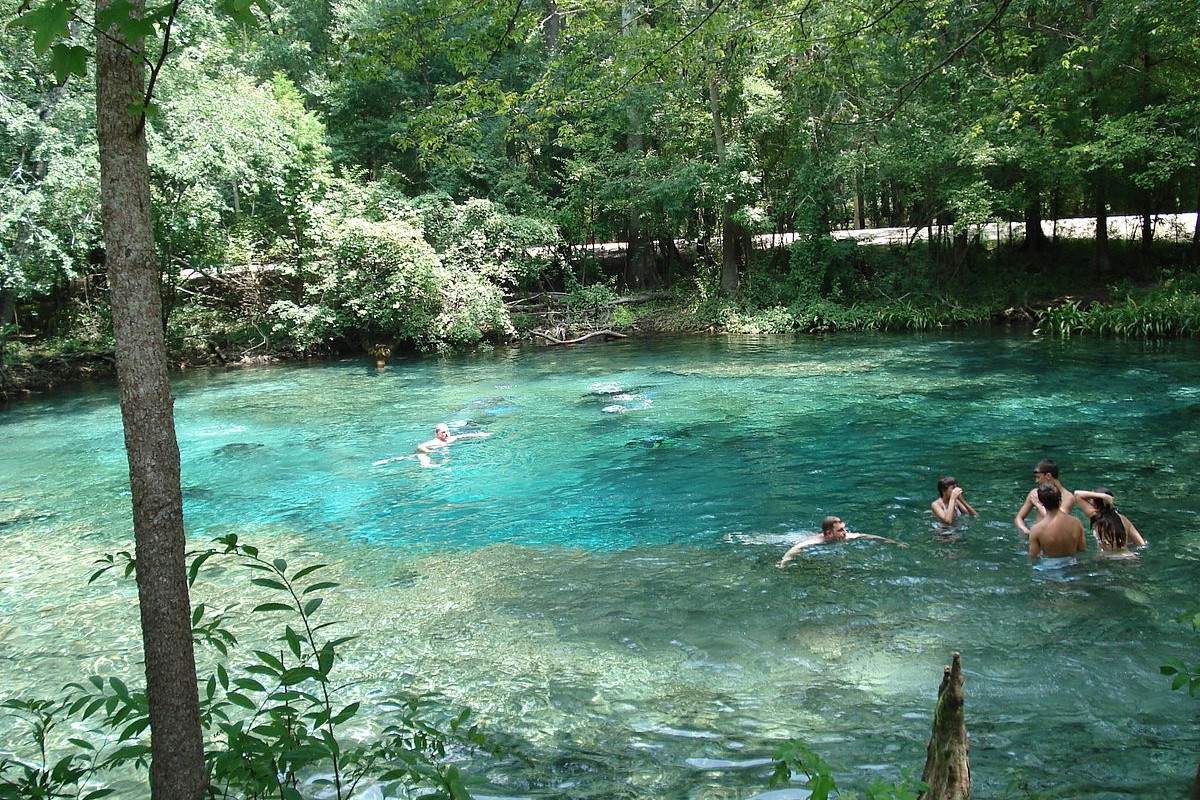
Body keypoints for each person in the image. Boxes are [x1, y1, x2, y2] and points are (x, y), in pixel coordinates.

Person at [778, 516, 907, 567]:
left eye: (844, 528)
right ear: (828, 533)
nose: (845, 532)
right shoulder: (815, 541)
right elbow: (796, 548)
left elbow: (869, 536)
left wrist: (895, 542)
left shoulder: (846, 536)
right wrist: (784, 562)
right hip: (795, 538)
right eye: (840, 530)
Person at [1027, 483, 1086, 567]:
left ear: (1041, 502)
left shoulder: (1036, 529)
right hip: (1072, 565)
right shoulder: (1076, 522)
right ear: (1060, 499)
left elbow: (1033, 557)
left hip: (1049, 568)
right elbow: (1082, 548)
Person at [1014, 458, 1075, 536]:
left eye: (1038, 477)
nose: (1036, 481)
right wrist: (1025, 530)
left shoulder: (1068, 497)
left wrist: (1038, 504)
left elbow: (1058, 521)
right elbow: (1018, 518)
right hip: (1037, 538)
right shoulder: (1034, 493)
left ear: (1048, 476)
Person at [1074, 488, 1146, 553]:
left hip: (1107, 559)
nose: (1089, 501)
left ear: (1096, 504)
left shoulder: (1096, 517)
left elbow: (1077, 494)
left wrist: (1103, 496)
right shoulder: (1124, 519)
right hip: (1128, 557)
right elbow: (1141, 543)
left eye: (1091, 499)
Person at [415, 423, 492, 467]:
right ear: (437, 433)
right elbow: (420, 446)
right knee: (423, 459)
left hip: (442, 454)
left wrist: (481, 435)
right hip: (426, 453)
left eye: (448, 431)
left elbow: (465, 436)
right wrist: (430, 452)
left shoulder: (451, 439)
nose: (446, 434)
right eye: (443, 432)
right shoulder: (435, 442)